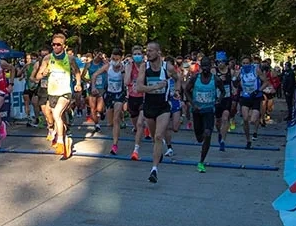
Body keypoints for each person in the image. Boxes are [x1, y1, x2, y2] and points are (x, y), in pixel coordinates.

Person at [135, 41, 179, 184]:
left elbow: (178, 79)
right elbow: (139, 88)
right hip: (149, 106)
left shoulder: (168, 67)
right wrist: (155, 87)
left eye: (151, 51)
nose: (147, 53)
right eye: (146, 50)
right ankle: (157, 154)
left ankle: (154, 170)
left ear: (158, 52)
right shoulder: (144, 67)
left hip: (163, 107)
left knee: (159, 136)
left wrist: (176, 91)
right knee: (155, 137)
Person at [34, 32, 83, 159]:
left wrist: (78, 83)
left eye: (58, 45)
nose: (55, 47)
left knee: (57, 114)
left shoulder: (70, 59)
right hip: (52, 93)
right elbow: (37, 76)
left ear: (64, 46)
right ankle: (65, 138)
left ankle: (60, 141)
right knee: (52, 117)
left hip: (65, 92)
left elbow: (77, 72)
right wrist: (43, 73)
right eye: (53, 44)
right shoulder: (47, 59)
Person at [90, 48, 130, 155]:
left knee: (116, 117)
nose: (114, 60)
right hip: (109, 94)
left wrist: (123, 72)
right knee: (110, 123)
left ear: (120, 58)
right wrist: (93, 86)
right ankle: (112, 122)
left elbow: (127, 81)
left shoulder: (124, 67)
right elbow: (94, 75)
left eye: (117, 59)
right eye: (113, 58)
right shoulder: (108, 66)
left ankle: (115, 144)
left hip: (119, 94)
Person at [188, 56, 220, 173]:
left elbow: (223, 91)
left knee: (207, 134)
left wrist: (218, 100)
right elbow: (186, 90)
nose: (205, 68)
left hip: (209, 112)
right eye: (204, 66)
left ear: (211, 67)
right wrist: (192, 103)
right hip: (197, 111)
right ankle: (201, 140)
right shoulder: (195, 78)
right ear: (200, 67)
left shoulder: (215, 79)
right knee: (199, 136)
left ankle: (201, 161)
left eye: (208, 66)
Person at [236, 55, 265, 148]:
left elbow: (266, 82)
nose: (245, 65)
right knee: (245, 119)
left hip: (256, 97)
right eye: (243, 63)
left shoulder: (256, 70)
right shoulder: (240, 71)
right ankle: (248, 140)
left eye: (247, 63)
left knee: (252, 120)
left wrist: (258, 90)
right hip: (245, 97)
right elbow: (236, 81)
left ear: (250, 63)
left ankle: (255, 131)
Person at [214, 54, 234, 152]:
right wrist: (217, 80)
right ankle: (220, 133)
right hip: (217, 98)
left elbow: (235, 83)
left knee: (225, 118)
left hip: (227, 98)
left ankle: (222, 140)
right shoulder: (214, 71)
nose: (219, 64)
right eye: (218, 62)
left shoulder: (231, 71)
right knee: (217, 121)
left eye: (221, 61)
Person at [87, 52, 107, 130]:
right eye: (98, 55)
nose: (99, 56)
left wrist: (105, 60)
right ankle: (96, 124)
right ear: (94, 55)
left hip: (101, 87)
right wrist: (88, 81)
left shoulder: (104, 63)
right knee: (92, 108)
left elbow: (110, 69)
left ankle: (102, 112)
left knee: (99, 108)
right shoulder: (89, 64)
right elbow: (83, 75)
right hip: (92, 87)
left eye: (101, 55)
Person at [260, 59, 281, 126]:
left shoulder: (274, 75)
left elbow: (277, 83)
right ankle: (262, 118)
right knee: (263, 102)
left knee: (270, 106)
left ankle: (267, 112)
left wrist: (274, 88)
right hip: (263, 91)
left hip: (270, 92)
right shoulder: (262, 72)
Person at [22, 53, 39, 128]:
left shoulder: (39, 66)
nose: (32, 60)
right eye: (32, 58)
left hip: (35, 87)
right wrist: (24, 67)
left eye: (34, 58)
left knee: (35, 104)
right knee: (26, 103)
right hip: (27, 87)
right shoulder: (28, 66)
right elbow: (19, 73)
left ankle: (37, 118)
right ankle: (28, 118)